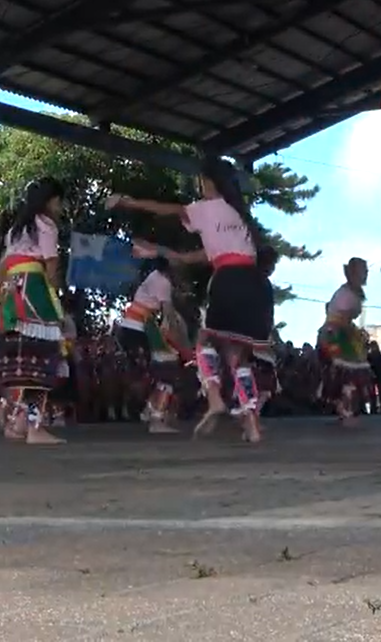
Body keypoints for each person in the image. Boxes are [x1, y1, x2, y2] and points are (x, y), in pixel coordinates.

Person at [110, 158, 279, 444]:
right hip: (257, 286)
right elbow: (197, 257)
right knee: (238, 357)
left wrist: (130, 202)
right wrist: (158, 252)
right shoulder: (239, 214)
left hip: (229, 281)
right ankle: (252, 425)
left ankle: (214, 399)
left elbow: (171, 209)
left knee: (205, 343)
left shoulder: (206, 207)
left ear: (208, 181)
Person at [0, 178, 68, 445]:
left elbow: (1, 267)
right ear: (49, 201)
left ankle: (14, 420)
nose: (61, 206)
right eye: (58, 200)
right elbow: (51, 266)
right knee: (41, 361)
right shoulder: (46, 225)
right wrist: (56, 296)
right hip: (34, 292)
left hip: (12, 294)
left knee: (21, 361)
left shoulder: (16, 230)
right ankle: (34, 427)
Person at [114, 251, 188, 434]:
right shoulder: (162, 282)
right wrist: (181, 342)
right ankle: (155, 417)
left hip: (139, 328)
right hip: (137, 329)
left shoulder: (155, 277)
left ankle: (149, 410)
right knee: (164, 372)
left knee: (155, 372)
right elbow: (169, 314)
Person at [318, 258, 373, 426]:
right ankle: (345, 410)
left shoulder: (351, 292)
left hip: (341, 332)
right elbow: (336, 316)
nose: (366, 274)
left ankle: (345, 409)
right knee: (348, 373)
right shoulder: (346, 293)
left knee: (349, 374)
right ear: (354, 273)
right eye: (364, 271)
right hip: (336, 334)